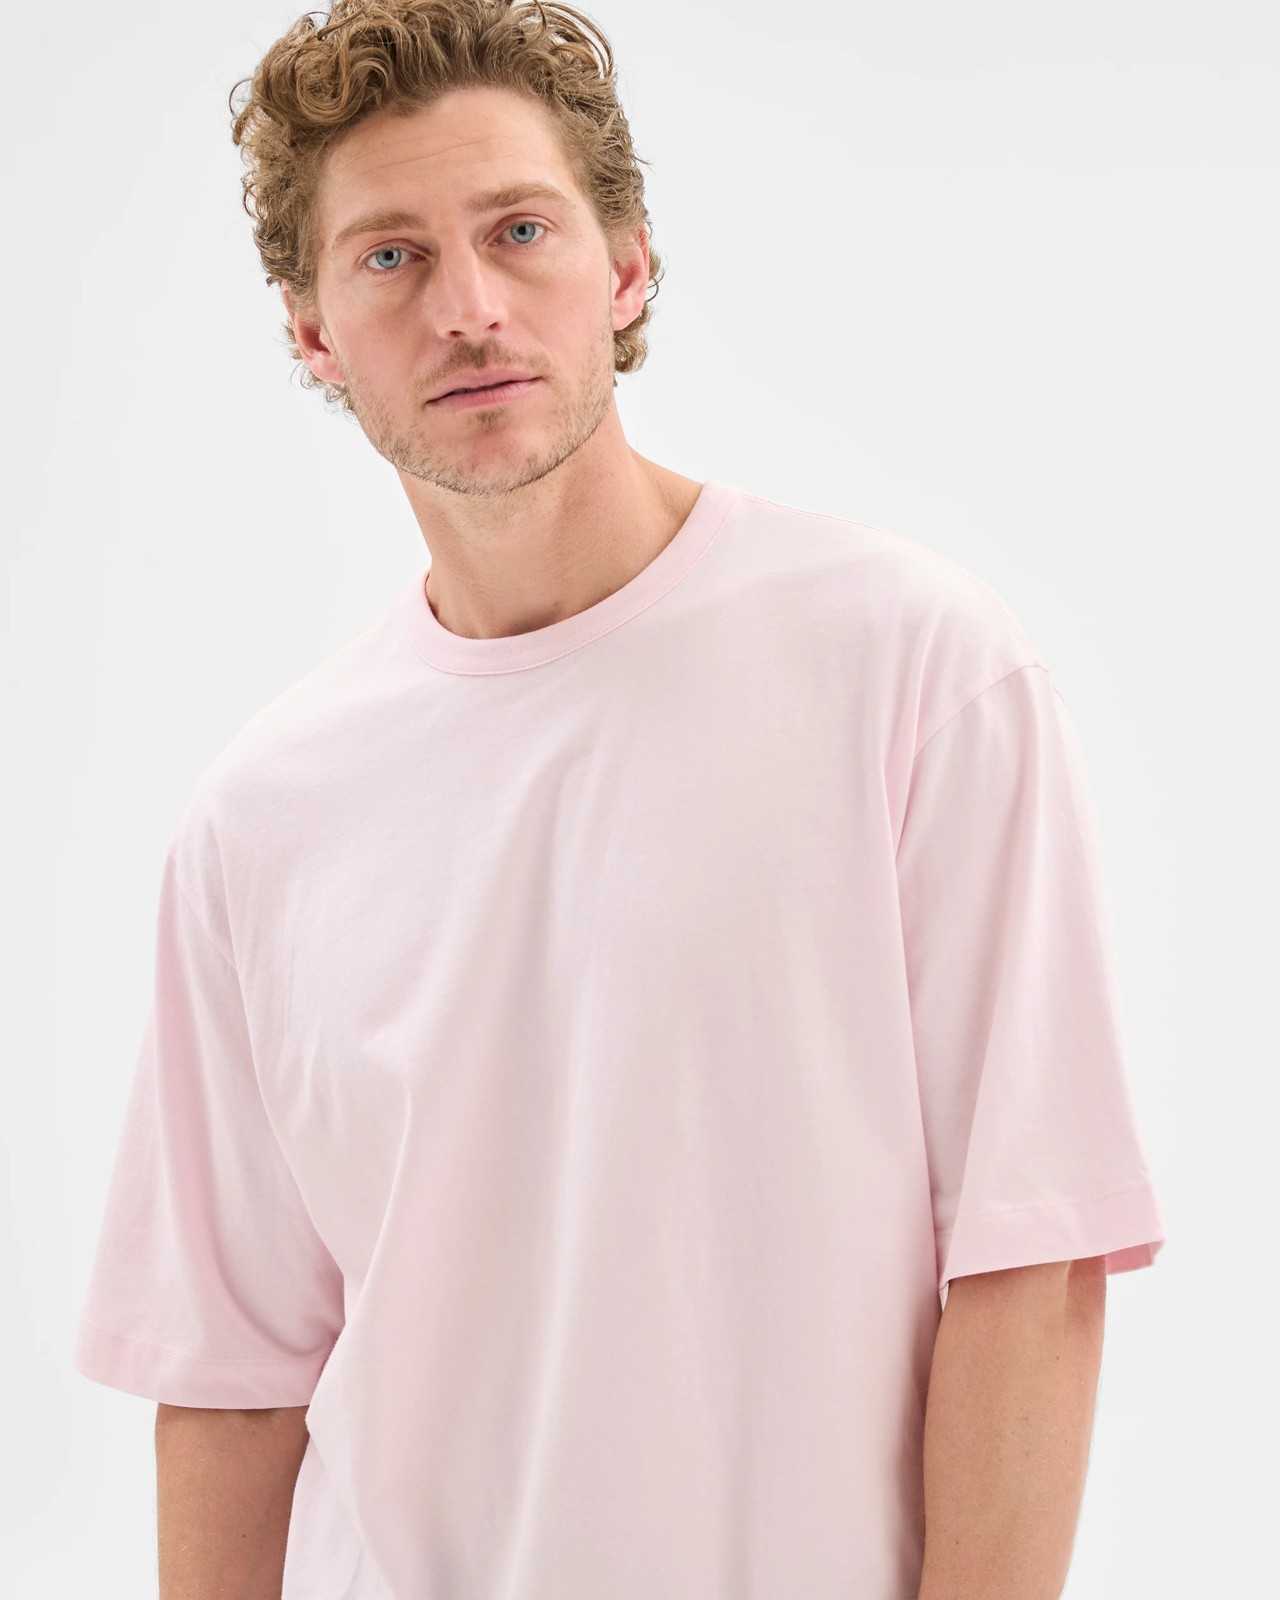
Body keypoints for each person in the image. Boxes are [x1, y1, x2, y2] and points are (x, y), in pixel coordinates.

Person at [72, 3, 1167, 1598]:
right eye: (388, 258)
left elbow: (1033, 1256)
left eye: (519, 232)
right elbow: (233, 1381)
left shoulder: (912, 669)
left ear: (628, 268)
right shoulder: (258, 823)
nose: (467, 308)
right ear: (312, 333)